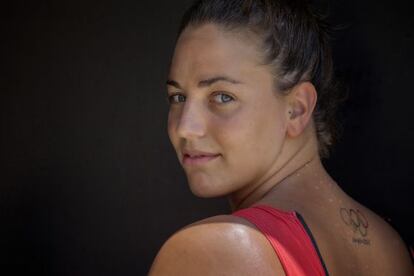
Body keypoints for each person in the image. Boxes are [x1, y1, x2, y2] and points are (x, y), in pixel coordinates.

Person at [149, 0, 414, 275]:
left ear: (297, 110)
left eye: (222, 96)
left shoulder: (213, 252)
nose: (185, 127)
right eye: (178, 97)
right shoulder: (392, 246)